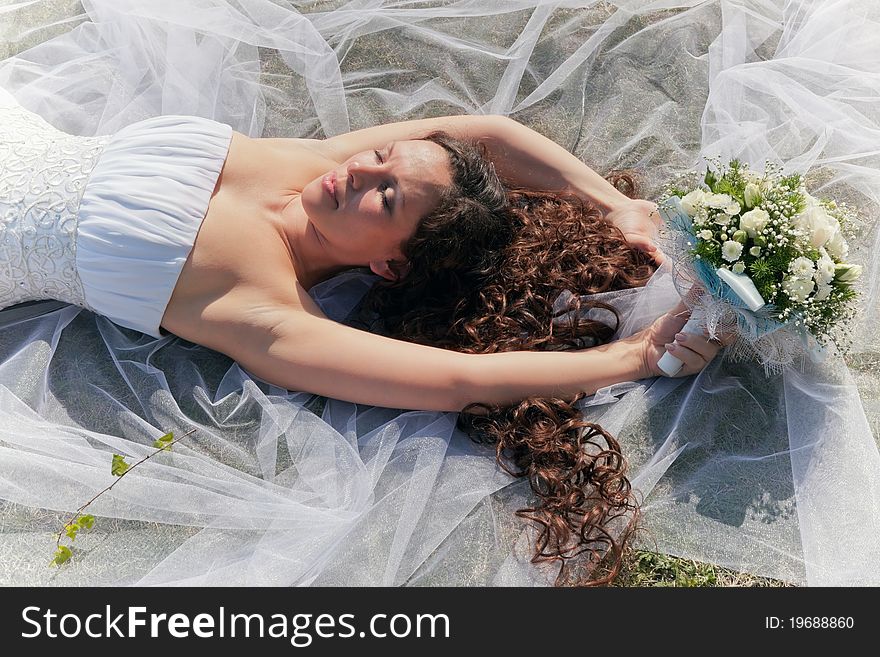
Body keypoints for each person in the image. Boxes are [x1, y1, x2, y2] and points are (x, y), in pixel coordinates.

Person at [1, 87, 726, 583]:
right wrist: (615, 204)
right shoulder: (315, 165)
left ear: (389, 262)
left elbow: (460, 381)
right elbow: (487, 135)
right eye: (382, 161)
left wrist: (629, 354)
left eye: (385, 194)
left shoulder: (272, 313)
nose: (359, 171)